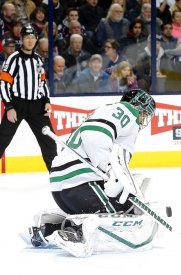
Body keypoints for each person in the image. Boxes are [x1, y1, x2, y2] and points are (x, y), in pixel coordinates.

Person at [27, 89, 159, 257]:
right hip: (81, 184)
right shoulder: (128, 111)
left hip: (63, 188)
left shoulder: (106, 111)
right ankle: (75, 234)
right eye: (144, 114)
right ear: (138, 107)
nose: (143, 119)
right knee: (123, 209)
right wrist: (108, 166)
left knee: (110, 204)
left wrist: (114, 172)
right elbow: (95, 135)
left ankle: (47, 230)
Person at [0, 24, 57, 171]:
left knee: (49, 141)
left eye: (33, 37)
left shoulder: (38, 60)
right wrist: (9, 107)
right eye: (27, 37)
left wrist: (47, 101)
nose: (30, 41)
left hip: (37, 106)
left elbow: (42, 82)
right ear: (22, 39)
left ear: (37, 39)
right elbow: (4, 84)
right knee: (2, 139)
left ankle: (56, 176)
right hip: (17, 105)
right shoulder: (13, 59)